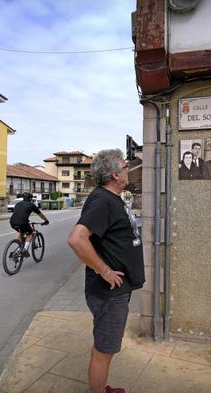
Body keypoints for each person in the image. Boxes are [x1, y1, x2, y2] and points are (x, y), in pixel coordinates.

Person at [68, 149, 144, 393]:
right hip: (109, 293)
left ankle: (100, 388)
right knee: (105, 350)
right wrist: (105, 271)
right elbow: (77, 239)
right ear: (114, 174)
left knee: (103, 345)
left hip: (115, 291)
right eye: (124, 167)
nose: (127, 170)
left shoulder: (111, 198)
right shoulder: (102, 200)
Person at [9, 192, 49, 258]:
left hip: (12, 223)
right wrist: (46, 220)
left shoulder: (18, 204)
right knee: (30, 234)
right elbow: (40, 214)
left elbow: (19, 213)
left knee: (22, 233)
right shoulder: (31, 205)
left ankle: (18, 250)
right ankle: (24, 250)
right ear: (30, 198)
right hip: (23, 222)